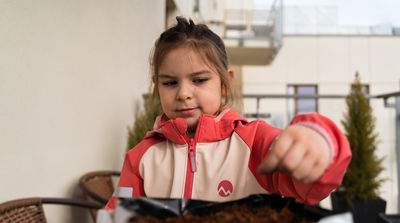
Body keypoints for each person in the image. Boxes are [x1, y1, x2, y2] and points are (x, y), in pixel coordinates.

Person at [106, 17, 351, 210]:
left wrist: (321, 141)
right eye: (169, 83)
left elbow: (311, 186)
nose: (183, 93)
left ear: (225, 84)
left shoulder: (254, 142)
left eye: (199, 80)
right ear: (156, 85)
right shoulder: (140, 158)